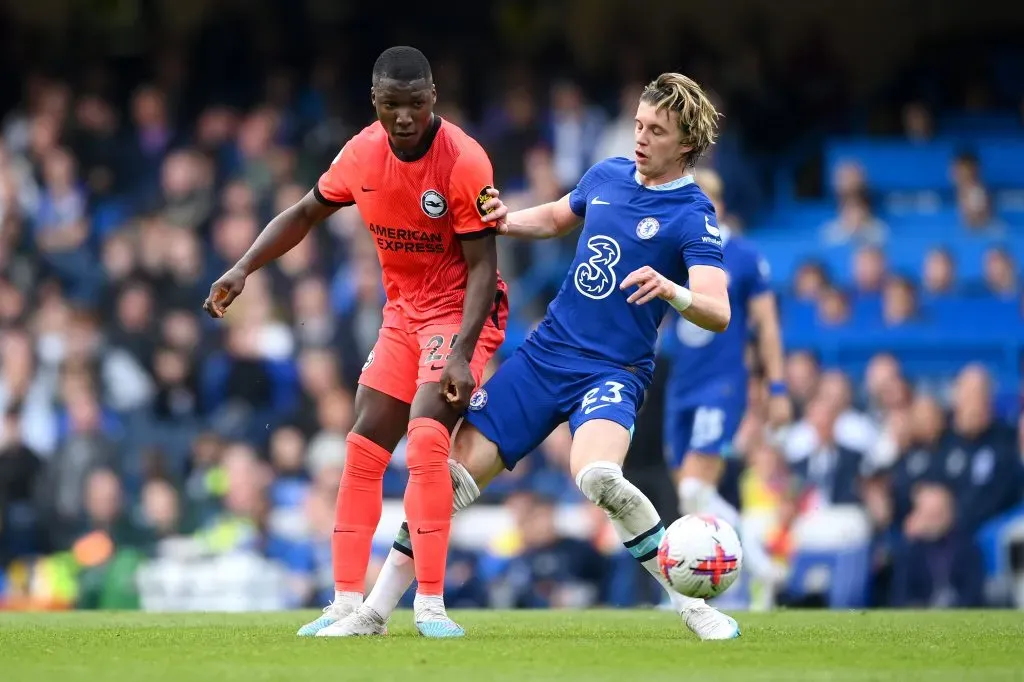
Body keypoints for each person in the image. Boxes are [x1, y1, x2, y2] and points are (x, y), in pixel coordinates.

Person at [320, 72, 740, 640]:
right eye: (638, 124)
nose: (639, 138)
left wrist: (673, 290)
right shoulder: (608, 175)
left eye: (656, 131)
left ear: (685, 143)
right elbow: (555, 218)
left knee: (597, 477)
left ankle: (692, 606)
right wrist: (504, 220)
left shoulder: (693, 213)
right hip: (545, 356)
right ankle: (373, 612)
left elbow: (718, 309)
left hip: (614, 370)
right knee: (446, 479)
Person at [203, 46, 509, 639]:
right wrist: (243, 268)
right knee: (363, 444)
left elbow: (482, 267)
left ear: (432, 99)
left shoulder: (464, 161)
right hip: (403, 313)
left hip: (460, 313)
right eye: (392, 105)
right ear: (375, 102)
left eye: (415, 104)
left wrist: (465, 355)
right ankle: (346, 602)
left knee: (424, 441)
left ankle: (430, 605)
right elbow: (303, 213)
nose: (403, 118)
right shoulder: (360, 155)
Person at [659, 168, 791, 603]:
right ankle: (757, 568)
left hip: (722, 382)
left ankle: (693, 591)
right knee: (691, 496)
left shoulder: (744, 256)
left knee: (696, 489)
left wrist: (776, 388)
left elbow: (767, 326)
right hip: (682, 384)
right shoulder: (676, 254)